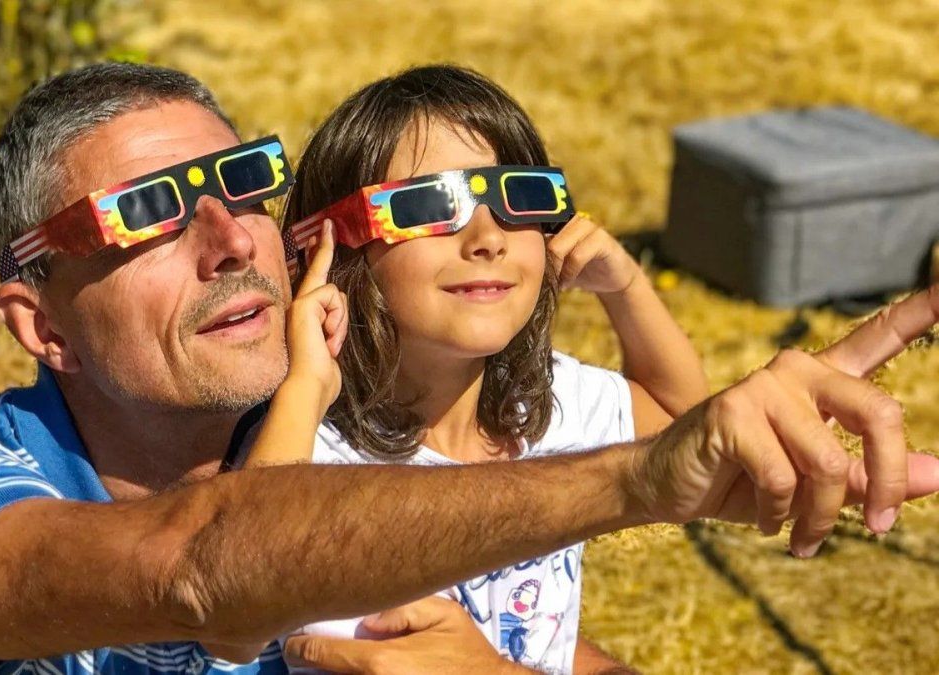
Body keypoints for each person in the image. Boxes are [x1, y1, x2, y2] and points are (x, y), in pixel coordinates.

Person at [0, 61, 939, 675]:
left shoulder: (348, 433)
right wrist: (641, 477)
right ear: (42, 325)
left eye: (245, 183)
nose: (232, 240)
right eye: (147, 215)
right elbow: (208, 570)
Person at [236, 64, 709, 674]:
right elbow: (243, 576)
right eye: (431, 204)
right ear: (330, 246)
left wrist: (626, 287)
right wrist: (304, 387)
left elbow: (683, 425)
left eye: (522, 197)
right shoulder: (313, 448)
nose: (488, 237)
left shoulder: (540, 402)